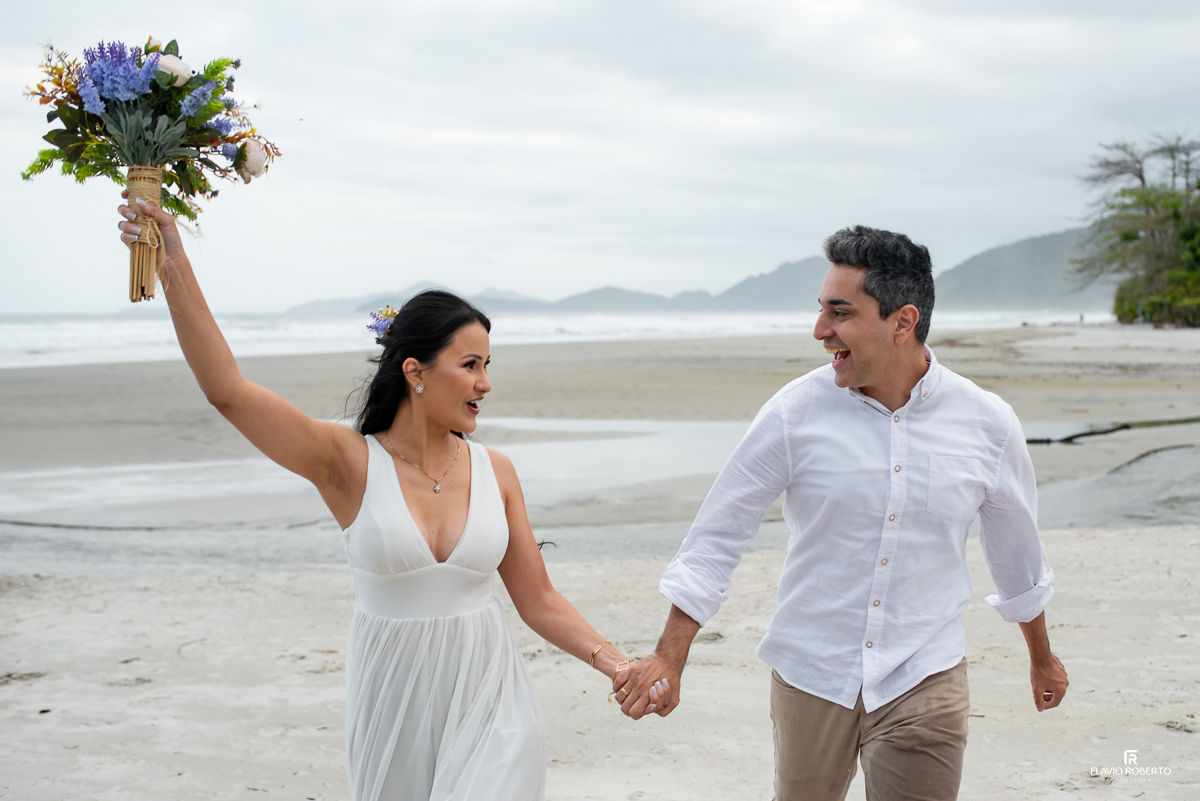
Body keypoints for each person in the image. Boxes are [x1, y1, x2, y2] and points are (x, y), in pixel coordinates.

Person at [115, 195, 634, 801]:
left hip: (493, 702)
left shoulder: (499, 472)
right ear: (416, 371)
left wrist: (616, 664)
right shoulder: (349, 464)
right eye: (470, 365)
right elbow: (228, 392)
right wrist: (173, 260)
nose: (485, 383)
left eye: (488, 365)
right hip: (393, 703)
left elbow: (538, 598)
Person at [612, 226, 1069, 801]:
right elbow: (719, 534)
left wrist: (1041, 657)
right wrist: (668, 656)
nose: (820, 331)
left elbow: (1016, 551)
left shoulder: (987, 422)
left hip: (925, 669)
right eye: (821, 310)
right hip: (812, 671)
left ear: (902, 322)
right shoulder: (793, 412)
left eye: (840, 313)